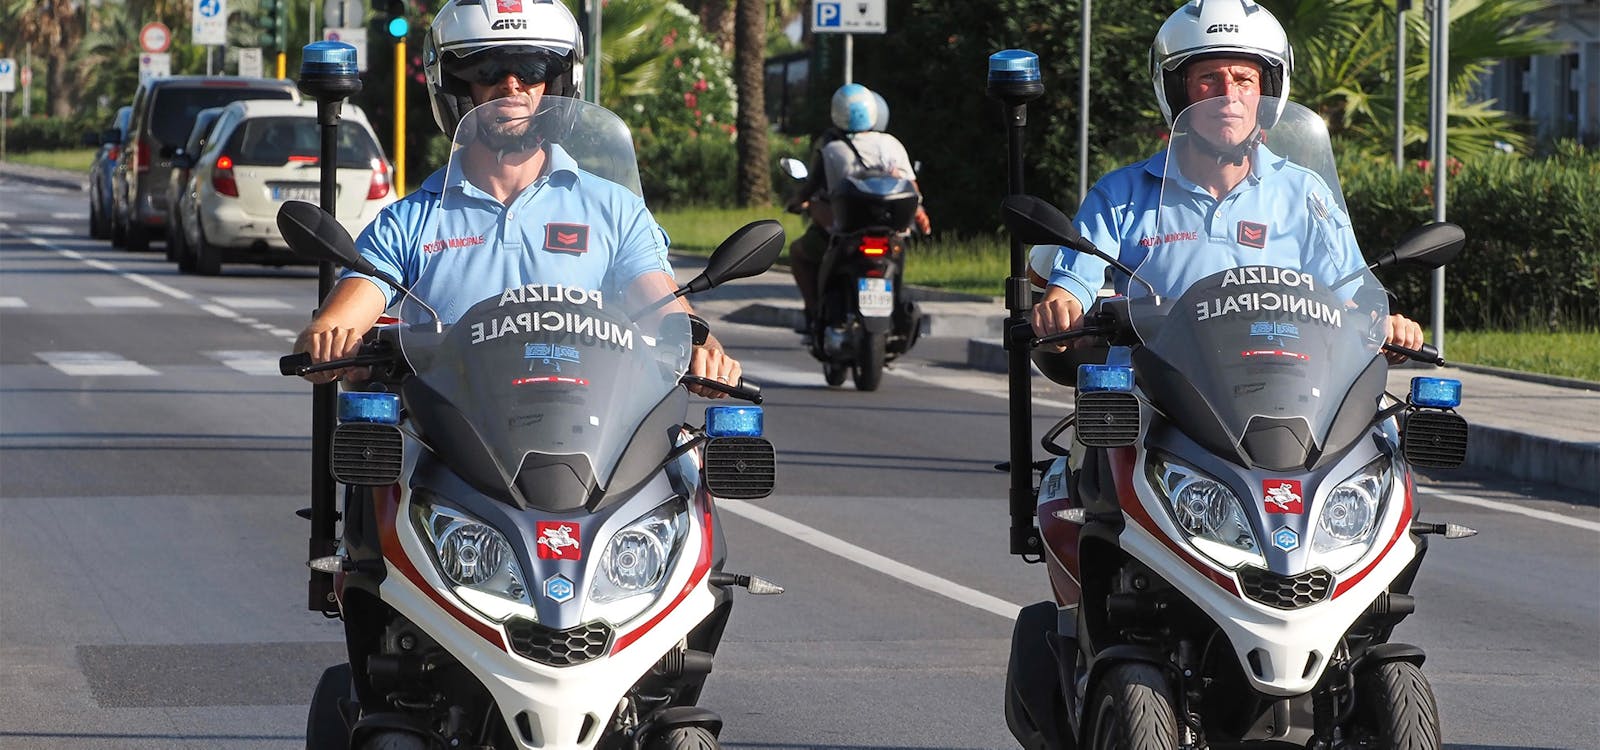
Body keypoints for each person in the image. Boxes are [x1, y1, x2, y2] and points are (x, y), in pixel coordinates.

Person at [292, 0, 740, 397]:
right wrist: (327, 337)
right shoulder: (410, 221)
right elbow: (344, 314)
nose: (512, 86)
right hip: (449, 443)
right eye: (488, 70)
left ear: (557, 84)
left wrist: (704, 350)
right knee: (377, 457)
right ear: (456, 86)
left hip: (589, 434)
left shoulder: (614, 211)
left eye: (531, 71)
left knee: (686, 469)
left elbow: (666, 310)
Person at [1030, 0, 1424, 363]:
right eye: (1208, 78)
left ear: (1267, 92)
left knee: (1383, 434)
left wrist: (1385, 324)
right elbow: (1074, 281)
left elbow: (1349, 291)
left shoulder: (1304, 194)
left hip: (1284, 385)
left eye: (1243, 79)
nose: (1228, 95)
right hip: (1157, 389)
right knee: (1115, 429)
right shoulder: (1122, 195)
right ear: (1177, 91)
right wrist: (1062, 304)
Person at [787, 83, 931, 331]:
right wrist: (919, 213)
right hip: (891, 234)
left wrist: (796, 202)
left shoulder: (831, 150)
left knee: (799, 253)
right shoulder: (891, 144)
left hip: (846, 233)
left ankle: (813, 315)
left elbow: (811, 188)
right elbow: (912, 189)